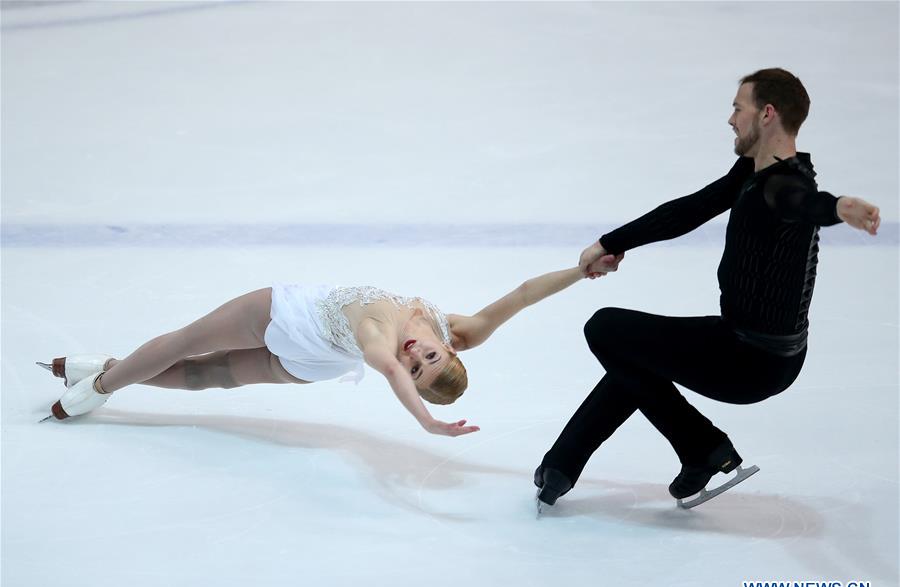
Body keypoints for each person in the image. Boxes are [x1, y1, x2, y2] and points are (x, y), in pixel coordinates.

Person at [534, 68, 881, 507]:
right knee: (638, 355)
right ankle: (561, 467)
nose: (731, 119)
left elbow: (804, 204)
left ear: (767, 113)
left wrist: (838, 206)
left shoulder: (784, 185)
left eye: (739, 108)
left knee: (606, 329)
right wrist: (612, 243)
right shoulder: (756, 172)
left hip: (749, 360)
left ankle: (702, 446)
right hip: (755, 348)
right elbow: (692, 210)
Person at [41, 262, 620, 436]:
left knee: (201, 377)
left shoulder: (382, 340)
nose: (417, 356)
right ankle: (102, 383)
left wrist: (425, 422)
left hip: (314, 358)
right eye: (432, 358)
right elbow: (521, 295)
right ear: (453, 349)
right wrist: (580, 268)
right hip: (285, 315)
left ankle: (107, 376)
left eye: (418, 368)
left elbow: (389, 370)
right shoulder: (460, 327)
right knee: (189, 343)